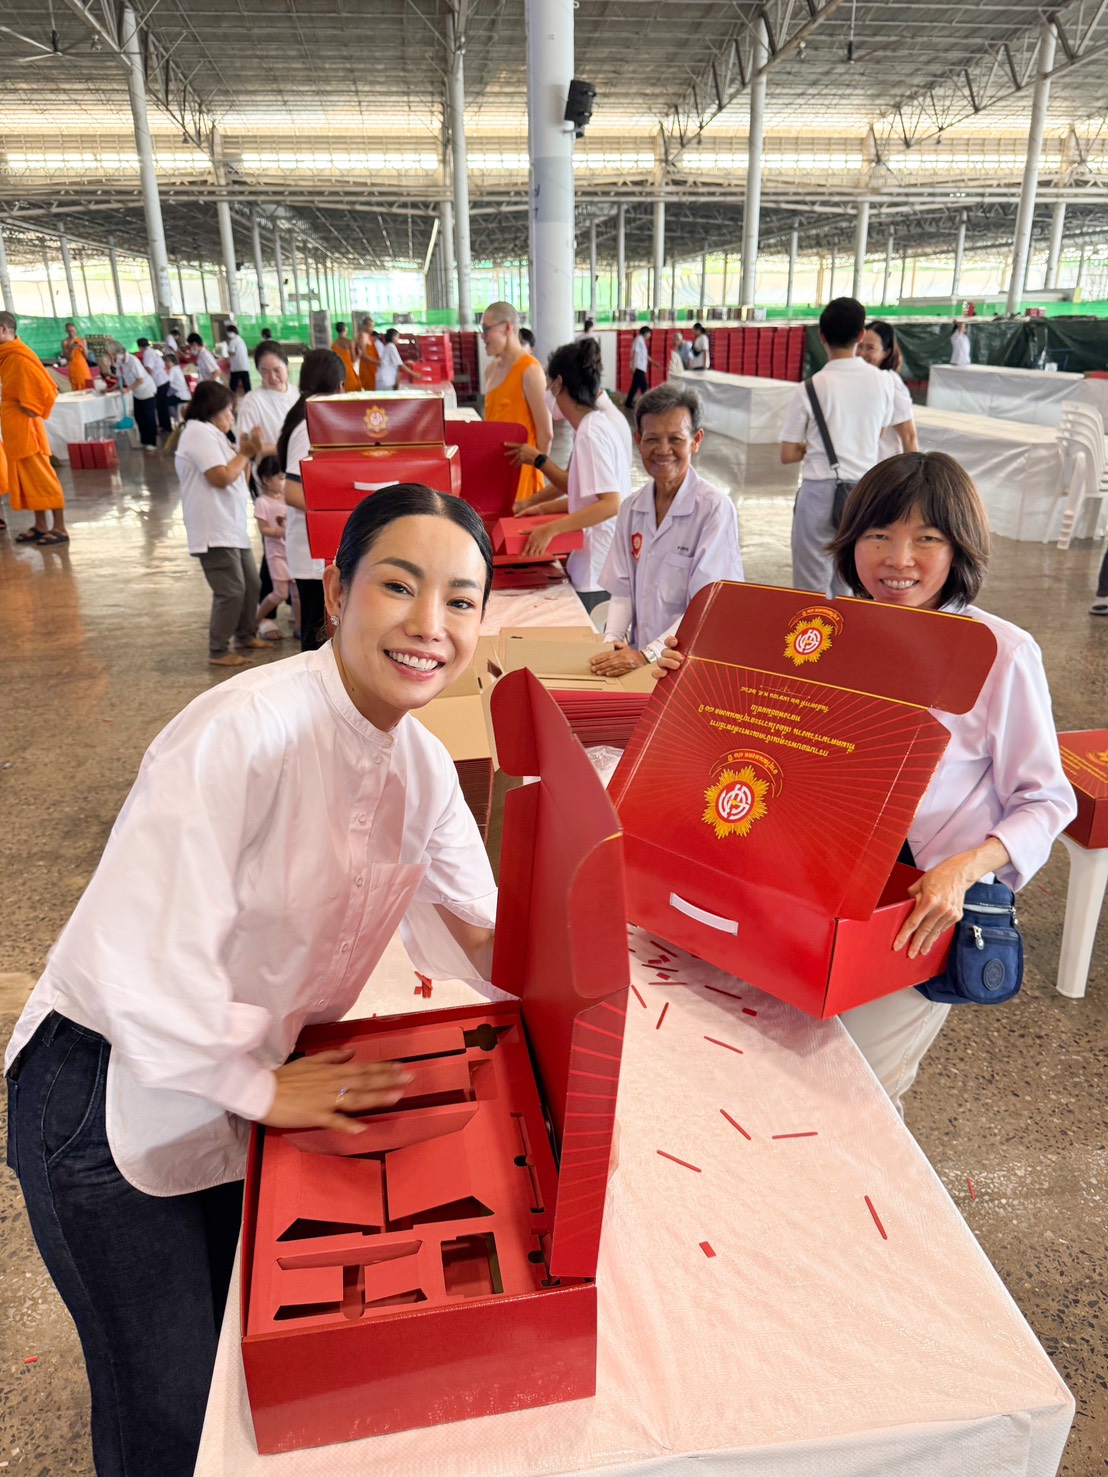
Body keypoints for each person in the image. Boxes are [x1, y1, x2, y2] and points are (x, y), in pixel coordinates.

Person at [4, 484, 498, 1476]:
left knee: (243, 1363)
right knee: (170, 1418)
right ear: (336, 590)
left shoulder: (423, 767)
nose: (428, 625)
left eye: (459, 599)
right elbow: (145, 965)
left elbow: (481, 934)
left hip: (242, 1081)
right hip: (101, 1097)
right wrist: (268, 1089)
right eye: (398, 586)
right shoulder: (240, 733)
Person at [654, 451, 1075, 1115]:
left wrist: (964, 869)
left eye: (926, 538)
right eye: (879, 534)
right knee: (787, 1053)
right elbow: (779, 738)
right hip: (826, 884)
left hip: (919, 906)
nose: (897, 557)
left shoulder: (1002, 652)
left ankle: (874, 1208)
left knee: (861, 1087)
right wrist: (694, 679)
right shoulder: (836, 634)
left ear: (959, 546)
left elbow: (1048, 799)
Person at [592, 381, 744, 674]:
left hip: (691, 662)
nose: (663, 450)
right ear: (638, 441)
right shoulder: (632, 508)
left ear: (696, 440)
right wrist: (612, 642)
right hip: (640, 661)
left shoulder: (713, 510)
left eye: (675, 439)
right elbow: (623, 590)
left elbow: (707, 605)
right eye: (652, 439)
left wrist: (647, 654)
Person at [778, 296, 906, 597]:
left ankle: (813, 640)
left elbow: (787, 454)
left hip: (819, 492)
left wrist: (813, 446)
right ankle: (844, 639)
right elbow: (880, 432)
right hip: (863, 495)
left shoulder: (810, 387)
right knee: (850, 579)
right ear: (860, 336)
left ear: (821, 337)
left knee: (811, 585)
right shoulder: (885, 383)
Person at [514, 337, 632, 612]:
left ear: (558, 384)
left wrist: (551, 528)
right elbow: (584, 495)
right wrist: (540, 508)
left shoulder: (592, 432)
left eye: (547, 382)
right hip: (596, 562)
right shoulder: (593, 426)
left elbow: (610, 503)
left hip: (597, 570)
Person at [173, 380, 268, 666]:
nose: (231, 418)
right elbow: (221, 477)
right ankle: (218, 649)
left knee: (252, 584)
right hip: (212, 528)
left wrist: (246, 454)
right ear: (212, 411)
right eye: (228, 412)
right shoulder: (198, 433)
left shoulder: (215, 436)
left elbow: (240, 479)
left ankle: (244, 634)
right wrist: (245, 453)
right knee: (231, 589)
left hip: (230, 526)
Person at [279, 348, 347, 651]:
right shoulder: (309, 426)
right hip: (311, 551)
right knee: (316, 635)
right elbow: (291, 490)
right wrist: (339, 509)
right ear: (339, 386)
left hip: (318, 549)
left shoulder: (312, 417)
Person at [236, 342, 302, 639]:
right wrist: (284, 445)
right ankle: (265, 614)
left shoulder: (297, 395)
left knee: (293, 539)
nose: (272, 377)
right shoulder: (253, 400)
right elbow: (247, 447)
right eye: (265, 372)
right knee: (273, 543)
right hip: (270, 477)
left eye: (277, 370)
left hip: (297, 476)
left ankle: (293, 602)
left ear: (288, 366)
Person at [0, 311, 70, 545]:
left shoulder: (20, 356)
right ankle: (40, 525)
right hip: (13, 429)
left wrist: (31, 408)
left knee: (43, 479)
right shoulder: (6, 356)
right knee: (28, 480)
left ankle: (59, 527)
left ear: (3, 330)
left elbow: (45, 389)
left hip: (26, 428)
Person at [481, 301, 553, 504]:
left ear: (507, 327)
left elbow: (546, 434)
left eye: (487, 329)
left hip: (523, 479)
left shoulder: (530, 370)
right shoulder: (491, 370)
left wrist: (534, 470)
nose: (483, 337)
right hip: (495, 473)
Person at [252, 452, 299, 638]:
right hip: (276, 553)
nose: (283, 481)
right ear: (265, 480)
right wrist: (280, 532)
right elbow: (264, 530)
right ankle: (256, 620)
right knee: (280, 592)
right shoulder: (262, 502)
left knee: (296, 594)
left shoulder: (287, 498)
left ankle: (299, 628)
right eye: (280, 477)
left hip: (291, 552)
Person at [857, 320, 918, 460]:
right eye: (859, 346)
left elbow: (909, 437)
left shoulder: (891, 384)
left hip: (883, 470)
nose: (862, 353)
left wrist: (915, 479)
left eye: (870, 348)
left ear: (886, 352)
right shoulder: (860, 380)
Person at [111, 340, 158, 451]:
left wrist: (128, 389)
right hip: (136, 392)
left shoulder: (133, 361)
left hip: (146, 390)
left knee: (148, 417)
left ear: (118, 352)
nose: (112, 357)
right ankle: (144, 441)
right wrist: (110, 389)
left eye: (112, 354)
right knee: (139, 416)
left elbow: (140, 380)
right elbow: (120, 378)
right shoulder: (119, 362)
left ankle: (152, 442)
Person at [137, 337, 172, 435]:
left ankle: (166, 427)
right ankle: (164, 426)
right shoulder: (152, 351)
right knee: (161, 405)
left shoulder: (148, 353)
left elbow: (149, 368)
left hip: (160, 382)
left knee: (161, 406)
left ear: (140, 347)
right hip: (162, 380)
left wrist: (141, 376)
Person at [625, 326, 658, 410]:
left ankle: (628, 402)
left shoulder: (642, 341)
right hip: (638, 367)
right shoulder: (639, 339)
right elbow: (635, 352)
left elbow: (645, 356)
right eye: (649, 334)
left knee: (635, 386)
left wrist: (654, 363)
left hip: (641, 368)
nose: (650, 336)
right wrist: (634, 366)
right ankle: (647, 404)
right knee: (644, 386)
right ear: (646, 333)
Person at [376, 328, 416, 392]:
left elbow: (397, 364)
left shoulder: (389, 346)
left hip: (385, 380)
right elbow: (400, 365)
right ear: (393, 337)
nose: (398, 339)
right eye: (397, 337)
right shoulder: (391, 347)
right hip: (385, 381)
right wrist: (414, 374)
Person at [61, 322, 92, 391]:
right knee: (76, 384)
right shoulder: (65, 342)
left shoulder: (82, 341)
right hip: (73, 366)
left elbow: (87, 357)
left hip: (83, 365)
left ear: (75, 330)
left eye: (72, 331)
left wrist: (83, 347)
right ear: (66, 331)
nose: (71, 333)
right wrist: (71, 349)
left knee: (86, 383)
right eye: (69, 331)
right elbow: (68, 358)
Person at [331, 321, 361, 391]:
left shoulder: (333, 345)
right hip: (348, 372)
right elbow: (354, 360)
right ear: (345, 329)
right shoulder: (350, 343)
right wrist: (359, 354)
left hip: (338, 372)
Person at [225, 324, 252, 395]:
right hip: (244, 365)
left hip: (237, 367)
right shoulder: (240, 339)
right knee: (246, 385)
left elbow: (232, 352)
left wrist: (227, 352)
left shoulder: (233, 341)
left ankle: (230, 398)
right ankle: (249, 397)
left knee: (233, 385)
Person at [165, 353, 191, 423]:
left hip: (180, 396)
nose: (166, 364)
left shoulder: (173, 369)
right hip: (184, 395)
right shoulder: (178, 368)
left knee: (179, 418)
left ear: (172, 362)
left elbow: (168, 381)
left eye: (168, 362)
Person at [355, 316, 380, 390]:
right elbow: (363, 355)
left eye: (372, 327)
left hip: (371, 366)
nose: (372, 329)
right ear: (364, 326)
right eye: (370, 326)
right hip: (366, 367)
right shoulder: (362, 336)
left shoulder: (368, 336)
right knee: (369, 390)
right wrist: (377, 361)